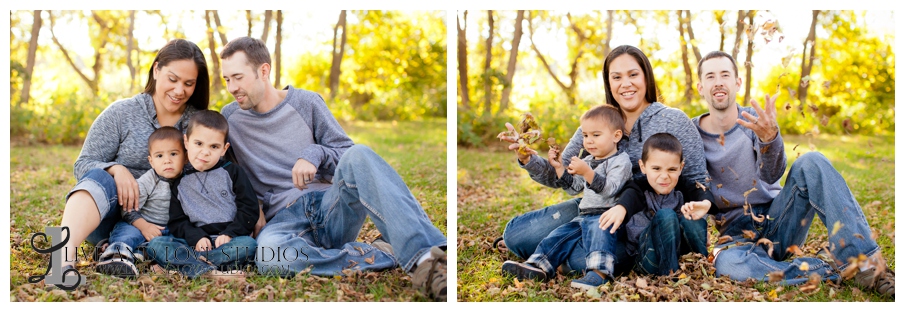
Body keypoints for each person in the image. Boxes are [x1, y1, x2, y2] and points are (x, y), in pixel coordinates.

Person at [217, 37, 447, 301]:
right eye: (226, 80)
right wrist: (254, 207)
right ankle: (384, 253)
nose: (232, 87)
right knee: (270, 258)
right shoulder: (230, 118)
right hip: (283, 222)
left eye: (238, 77)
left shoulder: (306, 103)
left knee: (360, 153)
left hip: (330, 208)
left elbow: (347, 156)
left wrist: (315, 154)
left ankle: (429, 261)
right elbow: (228, 170)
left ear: (264, 71)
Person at [681, 50, 894, 298]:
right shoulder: (691, 133)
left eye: (725, 74)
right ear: (700, 87)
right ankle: (833, 268)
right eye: (710, 76)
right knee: (728, 266)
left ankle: (865, 264)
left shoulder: (757, 121)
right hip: (735, 236)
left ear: (737, 83)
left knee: (812, 161)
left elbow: (772, 175)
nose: (718, 81)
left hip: (777, 221)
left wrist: (769, 139)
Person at [499, 45, 710, 274]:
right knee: (515, 235)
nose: (625, 84)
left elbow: (697, 180)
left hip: (641, 221)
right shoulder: (599, 121)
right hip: (595, 206)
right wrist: (528, 159)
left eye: (633, 74)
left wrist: (683, 218)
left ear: (646, 77)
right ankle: (554, 251)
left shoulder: (674, 120)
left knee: (581, 261)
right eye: (616, 77)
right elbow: (563, 173)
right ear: (609, 83)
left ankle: (558, 257)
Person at [58, 39, 208, 277]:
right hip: (108, 220)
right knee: (98, 175)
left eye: (188, 83)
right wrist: (116, 169)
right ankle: (61, 262)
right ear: (156, 69)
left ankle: (134, 252)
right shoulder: (121, 113)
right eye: (173, 79)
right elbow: (83, 165)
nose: (180, 91)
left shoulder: (199, 123)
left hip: (172, 227)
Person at [501, 104, 632, 290]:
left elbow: (610, 189)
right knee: (558, 236)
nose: (589, 141)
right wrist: (559, 168)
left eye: (596, 135)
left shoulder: (621, 161)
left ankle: (598, 275)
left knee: (599, 239)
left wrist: (587, 172)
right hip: (583, 214)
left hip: (607, 216)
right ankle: (537, 266)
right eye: (585, 136)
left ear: (616, 136)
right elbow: (574, 188)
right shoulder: (587, 160)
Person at [147, 111, 257, 279]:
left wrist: (230, 233)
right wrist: (196, 238)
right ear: (186, 141)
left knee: (248, 245)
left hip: (228, 242)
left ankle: (186, 267)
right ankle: (211, 272)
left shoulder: (233, 172)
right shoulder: (179, 182)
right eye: (198, 143)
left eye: (214, 147)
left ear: (224, 149)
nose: (205, 152)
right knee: (156, 245)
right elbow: (177, 221)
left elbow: (249, 208)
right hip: (195, 244)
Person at [95, 126, 185, 278]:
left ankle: (139, 253)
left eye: (174, 154)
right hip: (140, 222)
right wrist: (144, 226)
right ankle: (116, 256)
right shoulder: (148, 180)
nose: (167, 161)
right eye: (159, 156)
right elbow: (128, 209)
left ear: (186, 157)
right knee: (127, 233)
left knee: (182, 240)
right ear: (151, 161)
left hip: (169, 228)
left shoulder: (189, 180)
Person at [617, 133, 711, 276]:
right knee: (666, 215)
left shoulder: (682, 187)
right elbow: (630, 195)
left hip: (679, 255)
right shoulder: (639, 188)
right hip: (648, 256)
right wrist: (621, 207)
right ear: (643, 166)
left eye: (672, 169)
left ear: (681, 167)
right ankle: (669, 275)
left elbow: (700, 191)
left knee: (691, 217)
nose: (664, 176)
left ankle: (701, 265)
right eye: (656, 169)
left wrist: (706, 203)